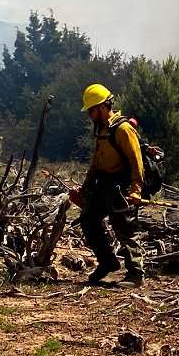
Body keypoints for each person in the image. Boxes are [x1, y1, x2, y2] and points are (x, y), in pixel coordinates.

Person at [71, 83, 145, 287]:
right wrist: (85, 187)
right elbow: (96, 161)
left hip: (121, 186)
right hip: (102, 184)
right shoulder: (100, 129)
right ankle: (108, 262)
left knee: (125, 229)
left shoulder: (123, 129)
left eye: (91, 110)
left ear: (103, 106)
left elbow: (136, 162)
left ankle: (136, 275)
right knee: (88, 219)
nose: (89, 114)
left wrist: (135, 190)